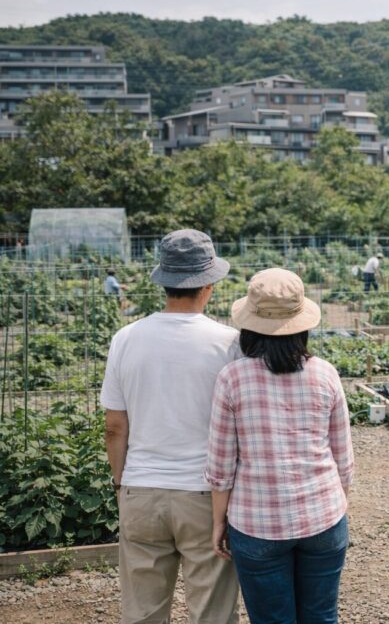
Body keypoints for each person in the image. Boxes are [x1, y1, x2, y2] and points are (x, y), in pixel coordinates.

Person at [101, 229, 240, 624]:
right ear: (208, 284)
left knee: (143, 611)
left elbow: (114, 425)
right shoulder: (229, 342)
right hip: (205, 495)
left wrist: (119, 483)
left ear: (163, 281)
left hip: (141, 488)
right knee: (211, 609)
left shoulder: (125, 338)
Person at [206, 268, 353, 624]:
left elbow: (221, 466)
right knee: (321, 617)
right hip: (323, 517)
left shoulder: (232, 378)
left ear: (250, 325)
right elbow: (343, 459)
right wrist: (337, 507)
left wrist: (218, 521)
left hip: (257, 522)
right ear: (302, 323)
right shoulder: (325, 373)